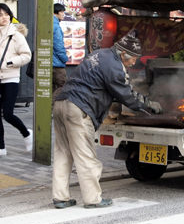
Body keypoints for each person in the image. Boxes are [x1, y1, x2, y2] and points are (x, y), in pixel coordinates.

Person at [52, 29, 163, 209]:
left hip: (61, 103)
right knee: (85, 154)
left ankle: (60, 197)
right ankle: (93, 199)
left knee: (63, 152)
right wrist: (148, 104)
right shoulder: (114, 65)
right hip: (79, 108)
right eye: (133, 58)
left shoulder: (99, 54)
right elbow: (126, 95)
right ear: (123, 53)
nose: (133, 63)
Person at [0, 3, 33, 159]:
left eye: (6, 14)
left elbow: (26, 55)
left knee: (8, 114)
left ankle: (27, 134)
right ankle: (0, 147)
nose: (3, 17)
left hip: (11, 78)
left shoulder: (16, 35)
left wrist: (9, 63)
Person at [52, 3, 69, 101]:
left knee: (49, 88)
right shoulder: (56, 27)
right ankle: (51, 105)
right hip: (57, 64)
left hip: (48, 62)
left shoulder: (46, 24)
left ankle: (47, 110)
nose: (63, 14)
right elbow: (59, 46)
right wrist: (65, 58)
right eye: (62, 12)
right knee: (63, 86)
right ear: (56, 13)